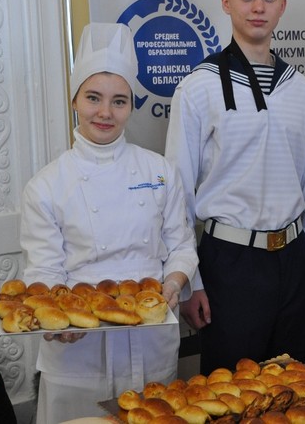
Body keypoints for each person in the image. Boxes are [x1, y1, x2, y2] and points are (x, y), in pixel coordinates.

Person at [164, 0, 305, 373]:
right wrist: (190, 281)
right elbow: (177, 192)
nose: (258, 7)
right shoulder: (199, 86)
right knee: (231, 391)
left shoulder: (300, 90)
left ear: (282, 7)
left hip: (292, 259)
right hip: (229, 263)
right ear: (226, 3)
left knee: (295, 386)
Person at [20, 23, 198, 424]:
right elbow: (44, 270)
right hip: (77, 352)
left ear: (131, 105)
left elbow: (182, 246)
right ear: (74, 100)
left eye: (119, 101)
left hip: (150, 339)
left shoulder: (159, 170)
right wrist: (57, 319)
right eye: (93, 98)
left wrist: (173, 284)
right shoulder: (46, 185)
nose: (105, 113)